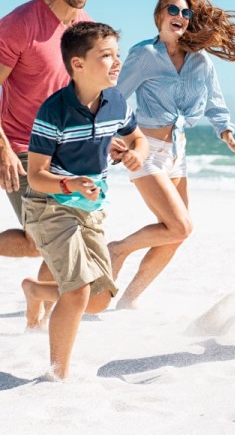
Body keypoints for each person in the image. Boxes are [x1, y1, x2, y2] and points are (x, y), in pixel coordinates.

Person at [109, 0, 235, 309]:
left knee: (177, 234)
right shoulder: (144, 56)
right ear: (160, 15)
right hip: (145, 149)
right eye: (173, 10)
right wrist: (111, 136)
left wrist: (227, 135)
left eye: (185, 12)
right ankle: (117, 249)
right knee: (179, 225)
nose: (179, 16)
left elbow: (215, 103)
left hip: (178, 153)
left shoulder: (200, 62)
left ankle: (129, 300)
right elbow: (114, 96)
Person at [20, 22, 147, 380]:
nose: (116, 62)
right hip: (50, 205)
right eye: (106, 55)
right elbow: (36, 175)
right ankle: (56, 375)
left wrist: (137, 152)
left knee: (100, 298)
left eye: (117, 55)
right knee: (76, 292)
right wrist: (69, 183)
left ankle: (35, 290)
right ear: (77, 64)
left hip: (91, 207)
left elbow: (138, 139)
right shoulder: (53, 111)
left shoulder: (116, 101)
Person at [0, 0, 109, 260]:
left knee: (60, 240)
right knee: (50, 242)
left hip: (68, 152)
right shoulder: (19, 24)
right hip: (21, 150)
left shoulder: (85, 26)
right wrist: (2, 148)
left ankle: (39, 305)